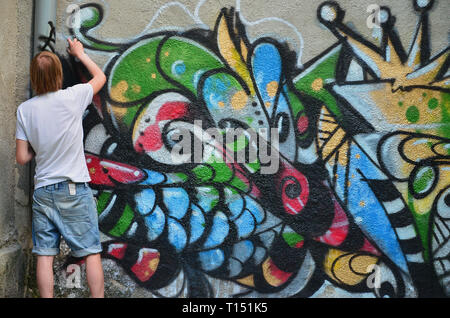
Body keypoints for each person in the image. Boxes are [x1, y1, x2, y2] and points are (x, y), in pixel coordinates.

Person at [15, 38, 107, 298]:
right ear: (58, 74)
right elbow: (100, 77)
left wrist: (40, 147)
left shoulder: (24, 110)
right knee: (91, 252)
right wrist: (80, 53)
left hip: (43, 191)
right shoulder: (73, 97)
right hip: (73, 189)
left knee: (44, 255)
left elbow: (22, 157)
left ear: (34, 77)